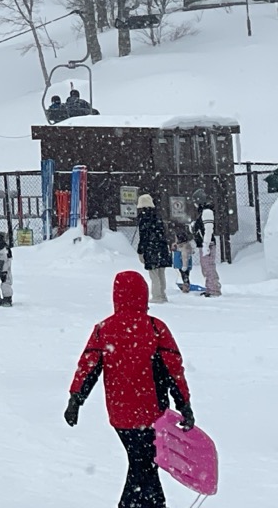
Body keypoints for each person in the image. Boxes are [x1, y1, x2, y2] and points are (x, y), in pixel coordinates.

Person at [65, 270, 194, 508]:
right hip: (152, 413)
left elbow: (88, 368)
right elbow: (174, 370)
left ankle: (154, 504)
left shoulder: (104, 329)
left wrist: (76, 400)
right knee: (143, 464)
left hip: (120, 414)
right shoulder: (155, 328)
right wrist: (184, 404)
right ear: (143, 296)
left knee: (142, 462)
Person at [134, 194, 172, 304]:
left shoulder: (144, 219)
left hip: (151, 249)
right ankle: (162, 294)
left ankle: (157, 296)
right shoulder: (157, 217)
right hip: (162, 248)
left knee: (154, 274)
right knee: (161, 273)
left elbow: (143, 237)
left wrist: (140, 251)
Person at [190, 195, 221, 298]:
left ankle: (214, 289)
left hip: (207, 244)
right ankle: (210, 287)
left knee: (209, 267)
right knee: (206, 268)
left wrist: (206, 244)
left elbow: (208, 230)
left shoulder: (207, 212)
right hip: (204, 244)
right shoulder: (203, 212)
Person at [169, 220, 195, 294]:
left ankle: (186, 287)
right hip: (183, 264)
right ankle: (186, 285)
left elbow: (185, 257)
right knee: (185, 275)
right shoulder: (183, 245)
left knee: (185, 275)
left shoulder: (184, 247)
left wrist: (184, 266)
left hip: (183, 265)